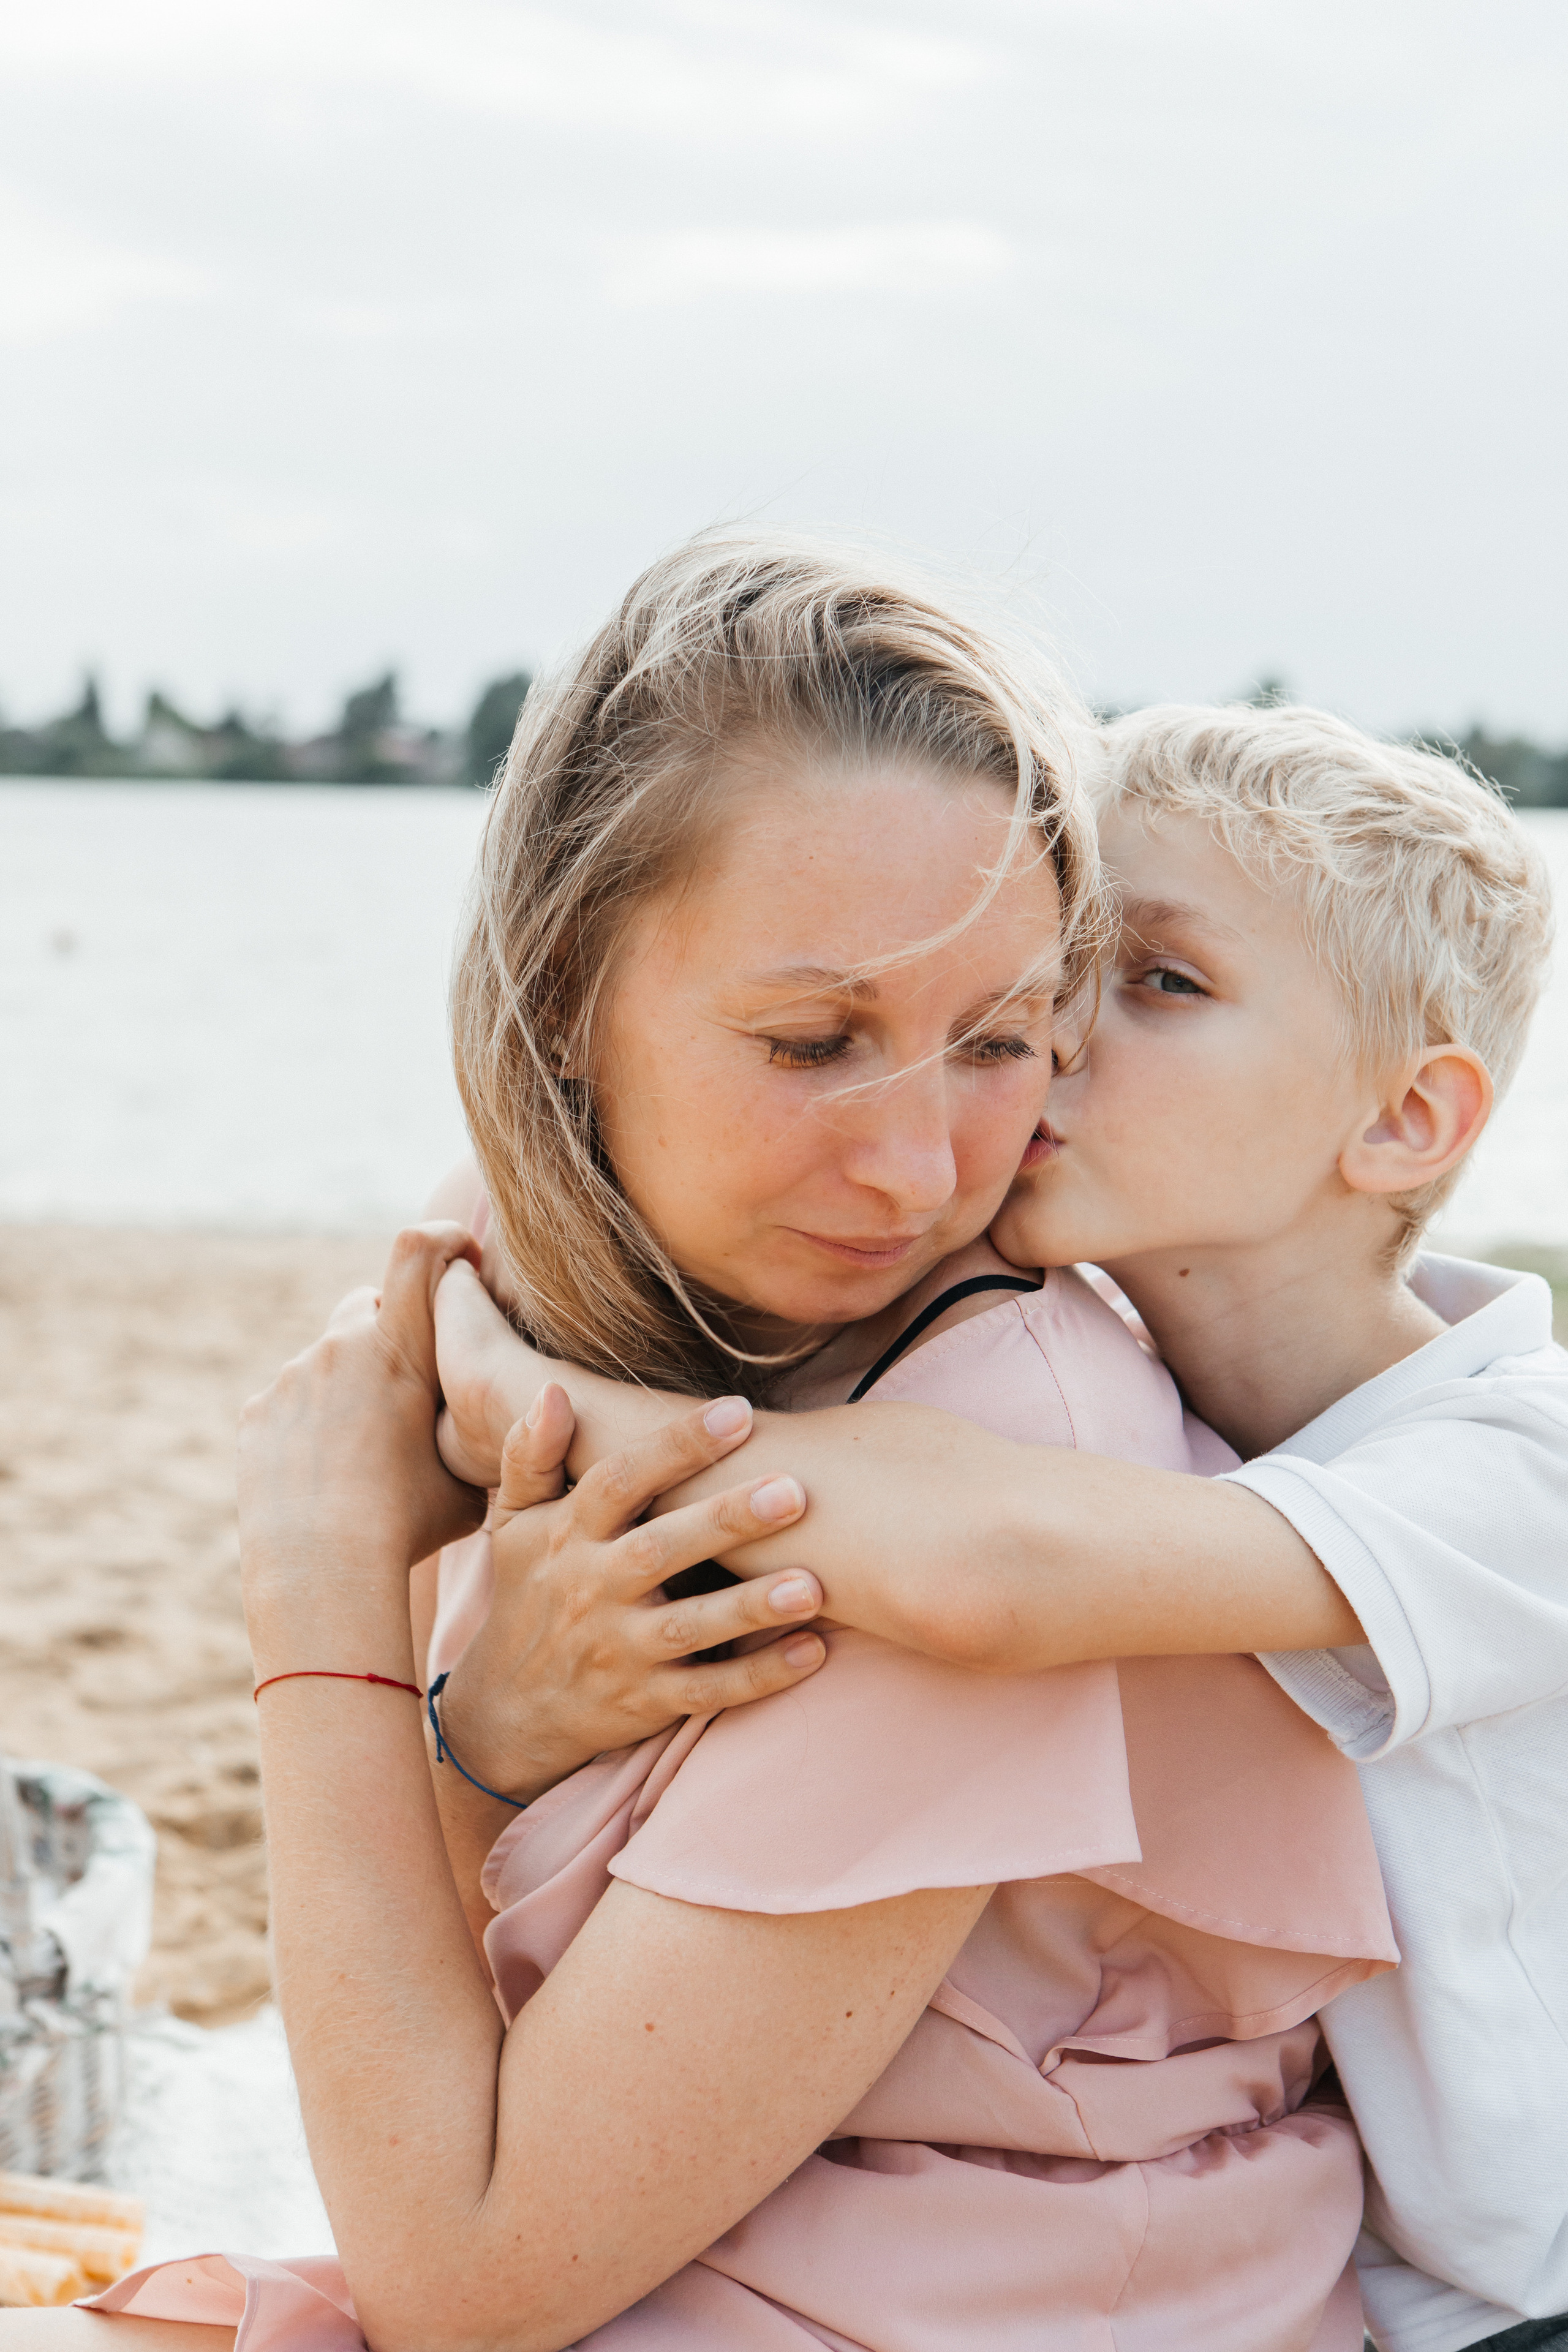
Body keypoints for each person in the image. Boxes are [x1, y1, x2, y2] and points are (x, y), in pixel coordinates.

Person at [17, 541, 1392, 2350]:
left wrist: (321, 1602)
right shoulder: (596, 1309)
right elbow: (454, 2016)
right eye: (815, 1040)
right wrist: (478, 1747)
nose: (917, 1172)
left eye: (996, 1041)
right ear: (566, 997)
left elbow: (463, 2277)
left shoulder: (1000, 1463)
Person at [429, 701, 1564, 2352]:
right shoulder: (1124, 1388)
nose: (1049, 1041)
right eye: (1050, 981)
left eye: (1163, 982)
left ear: (1404, 1121)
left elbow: (986, 1566)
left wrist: (488, 1384)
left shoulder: (1520, 1474)